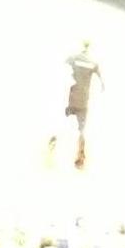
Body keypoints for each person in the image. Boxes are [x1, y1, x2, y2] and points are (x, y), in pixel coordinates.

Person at [53, 41, 101, 170]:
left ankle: (52, 148)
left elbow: (62, 64)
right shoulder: (93, 63)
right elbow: (102, 82)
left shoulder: (74, 58)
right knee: (82, 129)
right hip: (83, 102)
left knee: (61, 123)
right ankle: (80, 158)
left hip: (71, 99)